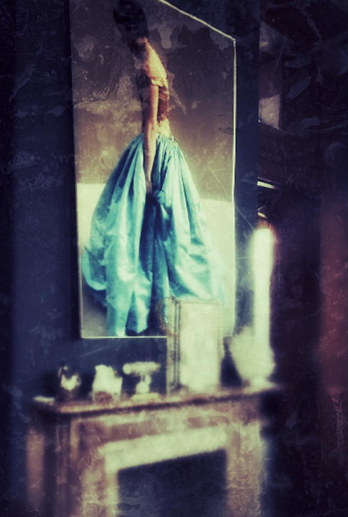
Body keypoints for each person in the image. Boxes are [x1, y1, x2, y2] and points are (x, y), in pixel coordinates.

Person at [81, 0, 225, 337]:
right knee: (156, 232)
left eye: (122, 30)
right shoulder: (151, 60)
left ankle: (149, 312)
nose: (121, 37)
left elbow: (149, 126)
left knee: (140, 230)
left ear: (131, 29)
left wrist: (146, 177)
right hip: (164, 148)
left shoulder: (148, 67)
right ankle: (154, 313)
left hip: (157, 151)